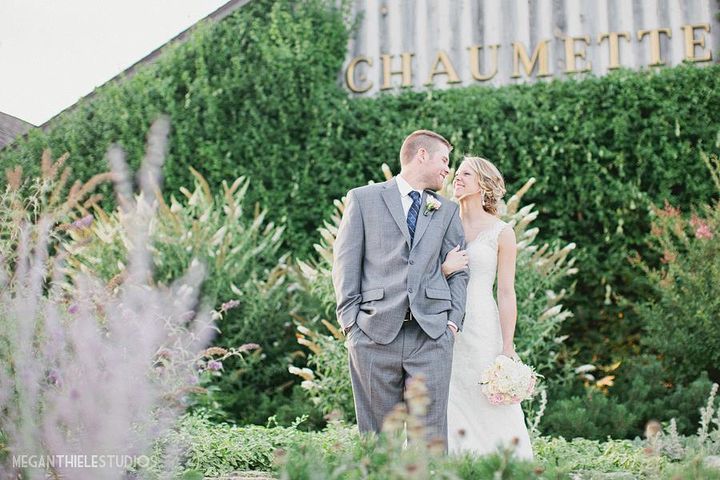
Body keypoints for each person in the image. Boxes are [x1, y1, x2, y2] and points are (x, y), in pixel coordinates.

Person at [332, 130, 469, 448]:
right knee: (378, 440)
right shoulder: (363, 199)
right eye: (444, 160)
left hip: (431, 335)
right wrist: (351, 324)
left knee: (431, 439)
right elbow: (345, 263)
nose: (448, 170)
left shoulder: (446, 211)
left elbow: (460, 270)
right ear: (422, 155)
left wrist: (452, 323)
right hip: (373, 333)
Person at [442, 156, 533, 459]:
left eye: (466, 173)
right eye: (457, 172)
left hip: (482, 324)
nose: (457, 177)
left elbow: (506, 292)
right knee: (447, 395)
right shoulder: (441, 220)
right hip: (443, 322)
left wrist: (507, 346)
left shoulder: (502, 232)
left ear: (483, 184)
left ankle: (500, 463)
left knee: (484, 395)